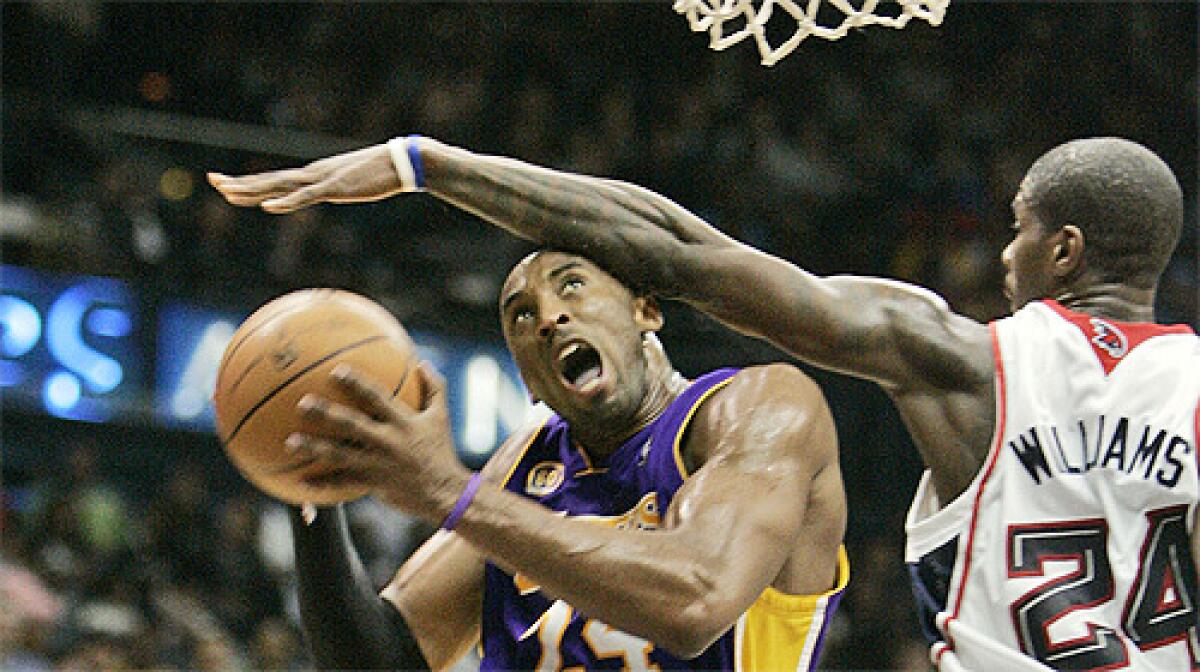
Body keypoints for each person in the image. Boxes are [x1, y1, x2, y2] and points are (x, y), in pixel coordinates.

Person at [211, 133, 1198, 670]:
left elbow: (685, 253)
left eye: (1019, 231)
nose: (1004, 253)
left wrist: (428, 166)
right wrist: (309, 487)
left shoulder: (941, 363)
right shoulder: (1190, 394)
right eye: (519, 310)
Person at [267, 249, 848, 670]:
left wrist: (452, 495)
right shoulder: (521, 468)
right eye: (522, 315)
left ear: (645, 311)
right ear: (527, 380)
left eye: (572, 286)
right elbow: (385, 663)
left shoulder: (759, 407)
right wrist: (310, 493)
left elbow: (696, 601)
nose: (548, 318)